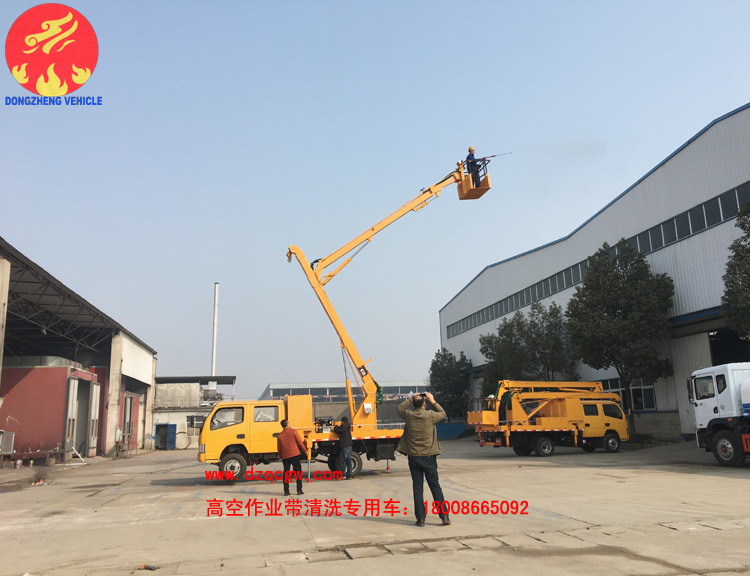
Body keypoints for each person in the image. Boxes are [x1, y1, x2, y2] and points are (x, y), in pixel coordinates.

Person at [397, 391, 450, 527]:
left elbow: (399, 408)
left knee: (418, 488)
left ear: (413, 404)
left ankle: (420, 519)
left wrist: (410, 399)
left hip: (414, 457)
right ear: (424, 404)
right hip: (429, 456)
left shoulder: (409, 415)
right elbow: (443, 413)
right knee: (435, 486)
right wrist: (433, 401)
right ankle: (444, 516)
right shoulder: (430, 415)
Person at [277, 419, 307, 496]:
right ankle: (299, 490)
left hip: (285, 456)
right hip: (295, 455)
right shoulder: (294, 431)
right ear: (287, 424)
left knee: (286, 473)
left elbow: (279, 448)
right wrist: (305, 451)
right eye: (289, 422)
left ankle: (286, 491)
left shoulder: (279, 435)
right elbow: (299, 442)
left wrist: (280, 455)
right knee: (298, 472)